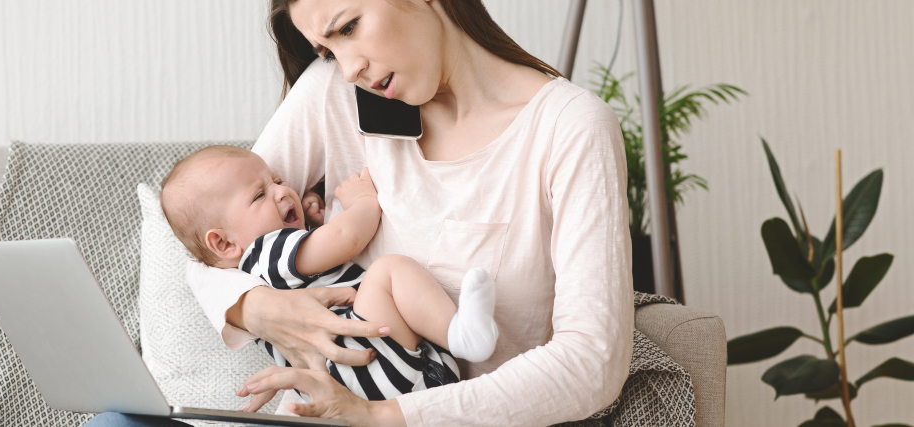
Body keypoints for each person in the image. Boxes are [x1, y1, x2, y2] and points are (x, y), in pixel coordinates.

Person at [89, 0, 632, 425]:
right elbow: (210, 238)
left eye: (348, 28)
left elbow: (592, 365)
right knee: (114, 421)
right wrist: (254, 307)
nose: (347, 68)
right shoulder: (342, 95)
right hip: (321, 413)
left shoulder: (569, 129)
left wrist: (381, 416)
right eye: (327, 49)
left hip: (427, 411)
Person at [157, 145, 501, 401]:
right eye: (260, 194)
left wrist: (312, 221)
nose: (281, 190)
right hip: (369, 361)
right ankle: (460, 333)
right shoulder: (265, 253)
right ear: (224, 243)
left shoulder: (268, 268)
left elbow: (321, 258)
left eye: (276, 179)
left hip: (369, 383)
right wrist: (363, 202)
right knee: (388, 272)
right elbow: (344, 239)